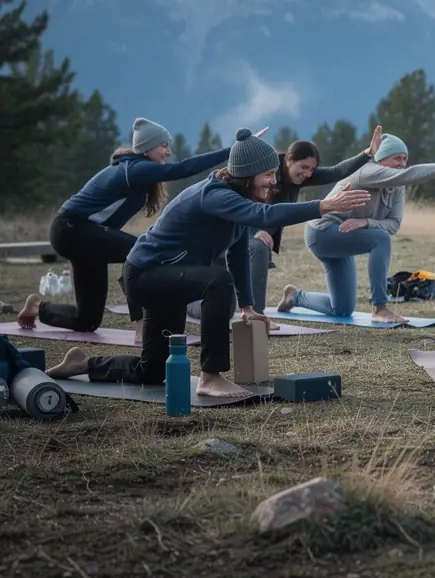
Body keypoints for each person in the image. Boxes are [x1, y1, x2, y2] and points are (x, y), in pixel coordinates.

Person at [46, 129, 371, 398]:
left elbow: (239, 251)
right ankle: (211, 375)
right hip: (146, 275)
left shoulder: (240, 200)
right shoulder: (215, 194)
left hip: (167, 278)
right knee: (218, 280)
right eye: (268, 174)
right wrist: (323, 206)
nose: (274, 182)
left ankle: (83, 365)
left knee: (153, 370)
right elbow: (266, 216)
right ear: (246, 174)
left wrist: (246, 305)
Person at [17, 117, 247, 340]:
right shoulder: (132, 169)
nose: (168, 151)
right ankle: (142, 326)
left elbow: (108, 227)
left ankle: (39, 307)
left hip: (85, 238)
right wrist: (232, 151)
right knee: (139, 254)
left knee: (87, 320)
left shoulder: (140, 174)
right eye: (163, 146)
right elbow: (181, 169)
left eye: (169, 146)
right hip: (70, 229)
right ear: (146, 148)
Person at [277, 134, 435, 324]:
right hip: (322, 232)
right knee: (381, 239)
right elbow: (408, 176)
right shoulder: (367, 171)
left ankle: (294, 296)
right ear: (381, 160)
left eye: (404, 159)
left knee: (341, 309)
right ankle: (380, 307)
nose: (401, 163)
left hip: (344, 235)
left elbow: (394, 224)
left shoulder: (397, 186)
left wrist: (366, 222)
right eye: (396, 158)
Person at [247, 126, 383, 314]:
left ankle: (267, 311)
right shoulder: (267, 173)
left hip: (262, 234)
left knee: (344, 308)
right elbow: (247, 205)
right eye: (303, 167)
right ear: (288, 160)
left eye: (312, 169)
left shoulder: (300, 176)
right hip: (243, 229)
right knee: (252, 255)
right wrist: (254, 231)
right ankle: (255, 319)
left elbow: (336, 172)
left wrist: (367, 153)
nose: (308, 174)